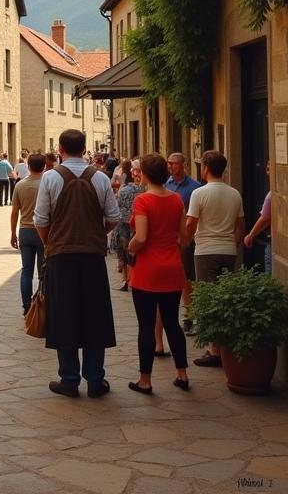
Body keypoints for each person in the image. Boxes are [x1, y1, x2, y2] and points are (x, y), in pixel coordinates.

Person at [34, 128, 120, 399]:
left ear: (60, 149)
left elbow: (41, 220)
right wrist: (95, 233)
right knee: (95, 314)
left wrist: (52, 242)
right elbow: (114, 217)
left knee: (64, 315)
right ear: (85, 150)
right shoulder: (101, 178)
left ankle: (69, 379)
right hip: (92, 255)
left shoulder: (50, 178)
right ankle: (95, 379)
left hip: (61, 256)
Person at [126, 154, 190, 395]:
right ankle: (182, 374)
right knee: (172, 322)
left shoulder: (143, 201)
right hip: (172, 267)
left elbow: (141, 237)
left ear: (145, 174)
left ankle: (145, 380)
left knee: (146, 326)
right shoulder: (176, 199)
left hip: (148, 271)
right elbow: (184, 237)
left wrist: (130, 247)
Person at [186, 150, 244, 367]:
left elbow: (191, 224)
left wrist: (185, 240)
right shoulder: (235, 194)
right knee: (225, 298)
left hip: (206, 251)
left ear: (206, 168)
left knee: (208, 299)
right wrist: (232, 243)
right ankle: (225, 345)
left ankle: (214, 351)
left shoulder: (199, 194)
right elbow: (241, 227)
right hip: (228, 251)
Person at [165, 152, 202, 331]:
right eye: (169, 163)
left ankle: (189, 315)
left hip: (187, 239)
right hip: (169, 239)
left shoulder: (195, 187)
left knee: (188, 279)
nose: (171, 167)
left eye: (174, 163)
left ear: (183, 165)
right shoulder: (166, 185)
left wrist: (187, 238)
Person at [10, 153, 46, 314]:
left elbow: (14, 212)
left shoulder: (20, 185)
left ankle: (26, 306)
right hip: (43, 230)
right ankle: (43, 303)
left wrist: (12, 233)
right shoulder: (47, 184)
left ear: (28, 167)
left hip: (25, 229)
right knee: (44, 271)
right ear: (44, 166)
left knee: (26, 270)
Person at [111, 160, 142, 291]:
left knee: (124, 252)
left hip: (124, 225)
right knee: (136, 254)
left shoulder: (124, 190)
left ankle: (125, 279)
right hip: (138, 225)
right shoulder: (146, 189)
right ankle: (134, 278)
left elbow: (118, 208)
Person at [244, 164, 272, 275]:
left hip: (272, 242)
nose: (267, 170)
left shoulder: (271, 195)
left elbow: (265, 218)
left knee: (270, 275)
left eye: (270, 167)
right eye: (267, 167)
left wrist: (250, 235)